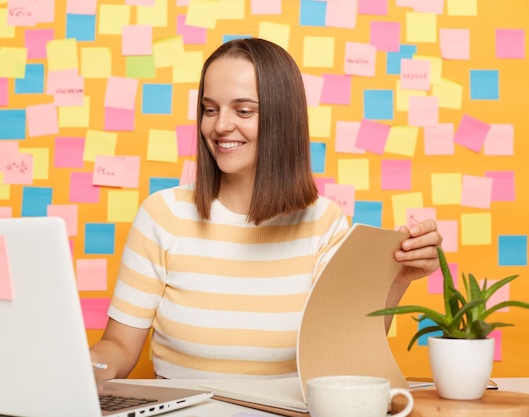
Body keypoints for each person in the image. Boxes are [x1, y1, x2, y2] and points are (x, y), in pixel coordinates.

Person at [90, 38, 442, 381]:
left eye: (243, 111)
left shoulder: (323, 222)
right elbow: (119, 347)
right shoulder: (163, 215)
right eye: (210, 109)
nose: (220, 125)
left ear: (282, 119)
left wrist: (395, 280)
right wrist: (81, 366)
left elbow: (343, 349)